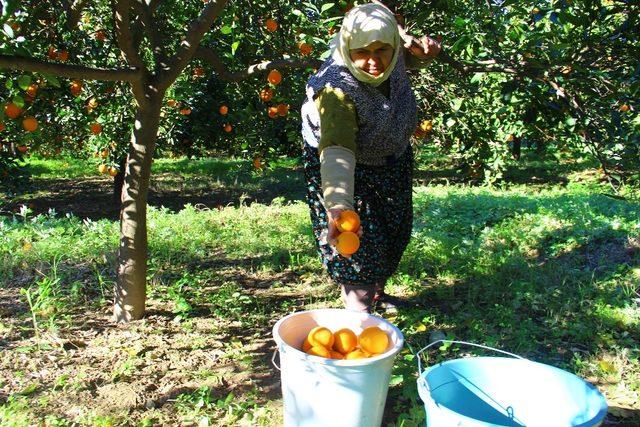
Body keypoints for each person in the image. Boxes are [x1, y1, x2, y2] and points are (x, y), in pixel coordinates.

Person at [300, 2, 441, 313]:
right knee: (358, 249)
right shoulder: (336, 90)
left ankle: (375, 293)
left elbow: (410, 55)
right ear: (348, 46)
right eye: (363, 51)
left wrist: (427, 52)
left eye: (382, 51)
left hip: (391, 158)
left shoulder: (393, 54)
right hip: (346, 167)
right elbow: (337, 152)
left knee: (392, 232)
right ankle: (360, 318)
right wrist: (339, 208)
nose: (373, 61)